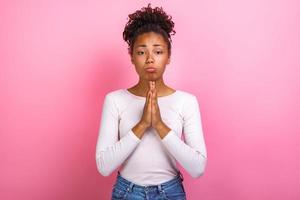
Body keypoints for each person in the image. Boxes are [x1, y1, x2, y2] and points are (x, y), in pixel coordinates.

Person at [95, 3, 207, 200]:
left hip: (170, 193)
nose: (149, 59)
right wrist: (143, 124)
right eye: (141, 52)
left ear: (168, 56)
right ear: (131, 57)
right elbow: (104, 166)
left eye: (158, 51)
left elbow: (198, 168)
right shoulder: (115, 100)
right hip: (127, 193)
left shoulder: (186, 101)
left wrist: (159, 125)